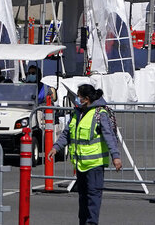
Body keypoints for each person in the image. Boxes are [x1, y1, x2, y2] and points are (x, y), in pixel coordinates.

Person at [47, 84, 122, 225]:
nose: (77, 98)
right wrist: (56, 147)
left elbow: (109, 136)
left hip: (95, 164)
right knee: (83, 198)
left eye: (79, 96)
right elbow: (67, 133)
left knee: (93, 198)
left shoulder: (100, 114)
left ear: (86, 99)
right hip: (80, 165)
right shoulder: (77, 113)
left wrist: (115, 156)